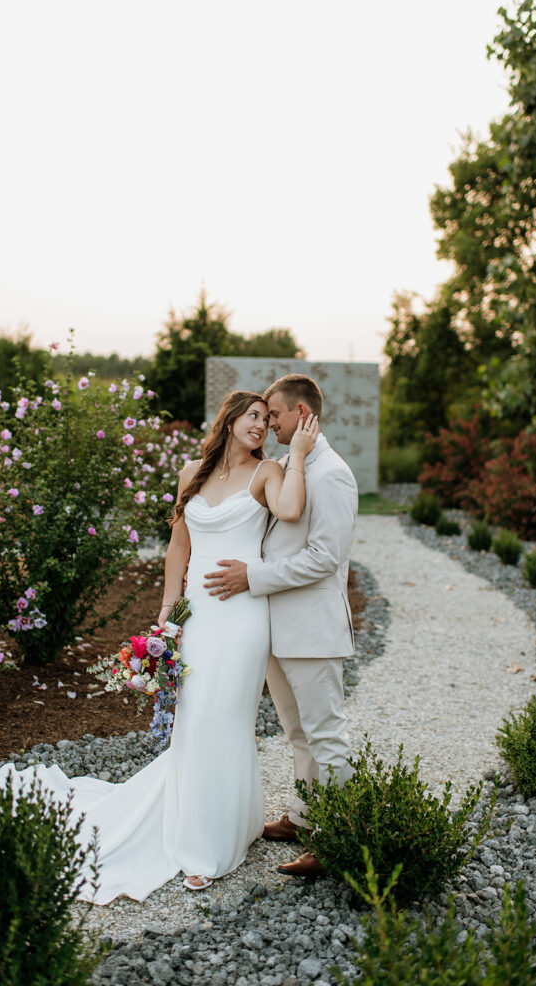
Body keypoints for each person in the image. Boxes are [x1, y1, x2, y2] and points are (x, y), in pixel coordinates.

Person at [0, 390, 317, 903]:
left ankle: (211, 843)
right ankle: (212, 825)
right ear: (228, 420)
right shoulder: (191, 475)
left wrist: (298, 457)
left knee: (223, 717)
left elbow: (290, 511)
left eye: (267, 423)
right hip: (198, 618)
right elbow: (179, 548)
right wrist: (166, 612)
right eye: (252, 417)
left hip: (244, 617)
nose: (260, 428)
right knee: (193, 718)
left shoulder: (268, 472)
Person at [203, 373, 358, 877]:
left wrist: (254, 575)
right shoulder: (293, 466)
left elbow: (324, 558)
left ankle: (337, 840)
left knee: (325, 734)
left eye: (275, 414)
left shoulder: (330, 473)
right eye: (263, 415)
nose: (268, 423)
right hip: (277, 628)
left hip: (312, 630)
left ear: (303, 414)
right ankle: (304, 817)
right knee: (297, 733)